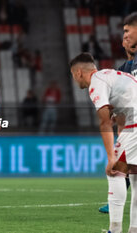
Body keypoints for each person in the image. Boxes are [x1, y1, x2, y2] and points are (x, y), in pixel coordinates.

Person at [70, 52, 137, 233]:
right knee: (135, 176)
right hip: (133, 125)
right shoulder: (114, 75)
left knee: (115, 172)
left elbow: (105, 121)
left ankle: (114, 230)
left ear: (78, 73)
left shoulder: (96, 83)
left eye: (73, 76)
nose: (75, 81)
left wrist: (111, 157)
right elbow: (121, 120)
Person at [98, 33, 136, 214]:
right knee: (125, 160)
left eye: (131, 36)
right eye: (125, 38)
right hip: (130, 120)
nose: (128, 39)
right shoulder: (124, 68)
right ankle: (116, 200)